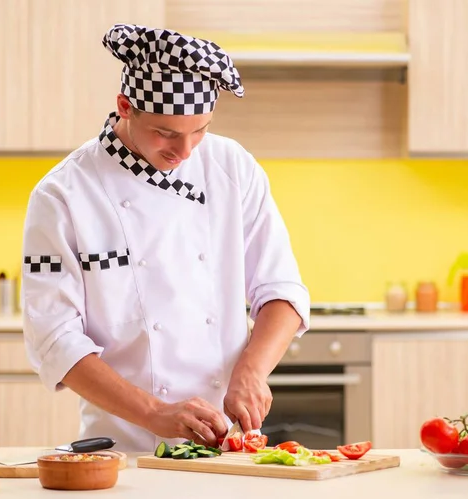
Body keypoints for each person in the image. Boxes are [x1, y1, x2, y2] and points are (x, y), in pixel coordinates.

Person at [21, 23, 310, 452]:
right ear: (125, 106)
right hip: (124, 449)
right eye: (166, 133)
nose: (186, 151)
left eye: (201, 130)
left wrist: (251, 371)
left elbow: (282, 290)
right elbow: (55, 340)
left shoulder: (232, 168)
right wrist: (156, 414)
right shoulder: (63, 194)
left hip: (227, 447)